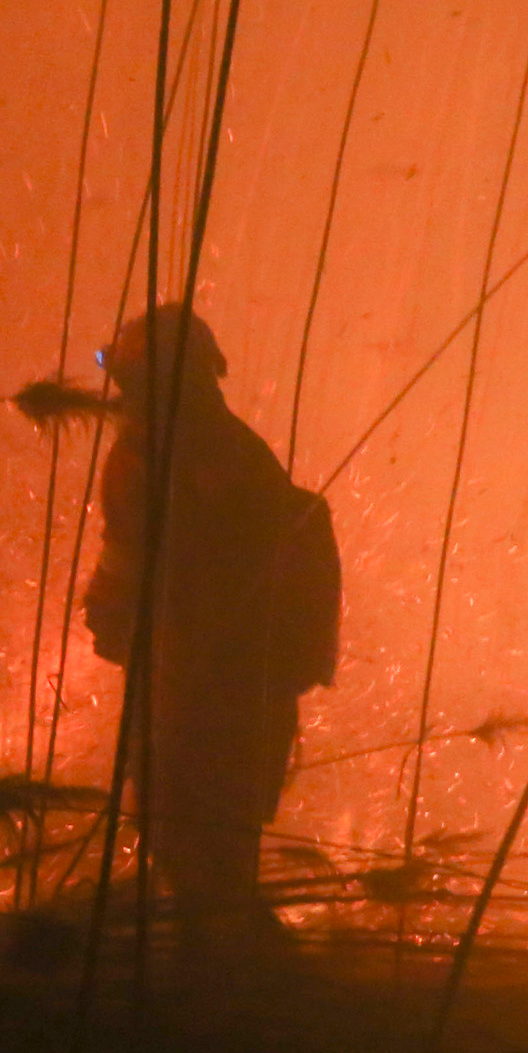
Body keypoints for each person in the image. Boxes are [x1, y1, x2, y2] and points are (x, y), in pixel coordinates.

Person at [81, 304, 341, 953]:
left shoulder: (163, 455)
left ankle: (231, 964)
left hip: (198, 677)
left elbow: (138, 555)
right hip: (231, 676)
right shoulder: (226, 447)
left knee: (188, 833)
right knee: (213, 837)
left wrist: (110, 613)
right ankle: (233, 958)